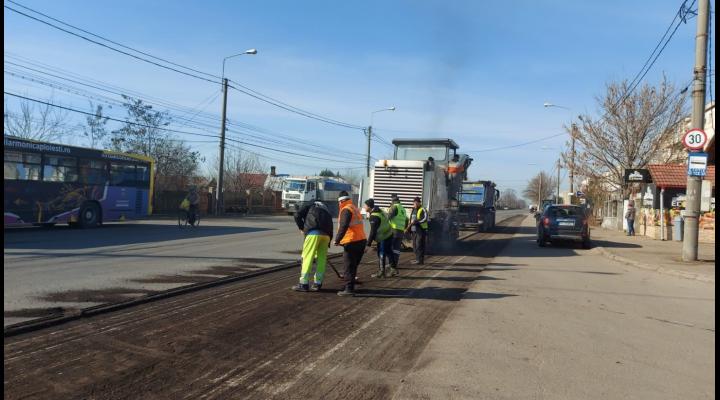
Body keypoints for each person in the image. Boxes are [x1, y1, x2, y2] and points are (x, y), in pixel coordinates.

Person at [292, 201, 334, 292]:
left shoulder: (309, 205)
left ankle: (303, 283)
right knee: (321, 259)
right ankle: (317, 283)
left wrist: (302, 228)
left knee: (307, 257)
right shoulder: (326, 209)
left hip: (313, 233)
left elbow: (297, 215)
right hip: (327, 235)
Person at [334, 191, 367, 297]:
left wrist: (337, 240)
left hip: (352, 241)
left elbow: (343, 226)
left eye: (339, 202)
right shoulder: (354, 208)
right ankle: (349, 285)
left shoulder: (346, 209)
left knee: (348, 266)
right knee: (353, 266)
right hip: (361, 240)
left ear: (341, 201)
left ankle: (349, 289)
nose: (338, 204)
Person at [364, 198, 396, 279]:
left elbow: (373, 232)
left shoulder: (374, 217)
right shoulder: (380, 211)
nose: (364, 207)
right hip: (389, 234)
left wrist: (368, 244)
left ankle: (381, 272)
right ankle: (393, 269)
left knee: (381, 254)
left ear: (369, 207)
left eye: (365, 206)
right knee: (389, 252)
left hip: (383, 237)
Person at [386, 194, 407, 274]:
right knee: (397, 249)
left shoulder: (394, 207)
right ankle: (395, 264)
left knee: (389, 248)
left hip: (393, 230)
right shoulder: (403, 209)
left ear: (393, 201)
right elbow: (406, 220)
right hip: (401, 231)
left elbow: (388, 217)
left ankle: (391, 265)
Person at [406, 196, 428, 265]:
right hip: (414, 230)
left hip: (421, 230)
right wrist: (409, 228)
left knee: (419, 245)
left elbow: (425, 218)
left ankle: (420, 260)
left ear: (419, 203)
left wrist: (417, 222)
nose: (414, 204)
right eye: (414, 203)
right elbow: (411, 220)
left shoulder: (423, 209)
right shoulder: (413, 209)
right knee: (414, 245)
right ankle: (417, 259)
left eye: (415, 203)